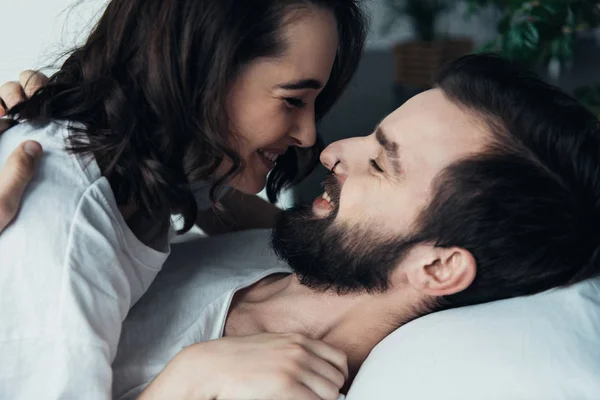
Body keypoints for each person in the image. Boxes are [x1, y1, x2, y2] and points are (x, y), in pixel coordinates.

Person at [109, 54, 600, 399]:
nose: (329, 152)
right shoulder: (310, 250)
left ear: (438, 266)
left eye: (381, 165)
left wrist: (188, 380)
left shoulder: (272, 387)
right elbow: (203, 191)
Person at [0, 0, 367, 398]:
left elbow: (224, 206)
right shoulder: (64, 221)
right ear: (200, 71)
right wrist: (194, 375)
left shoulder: (150, 155)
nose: (309, 135)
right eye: (293, 100)